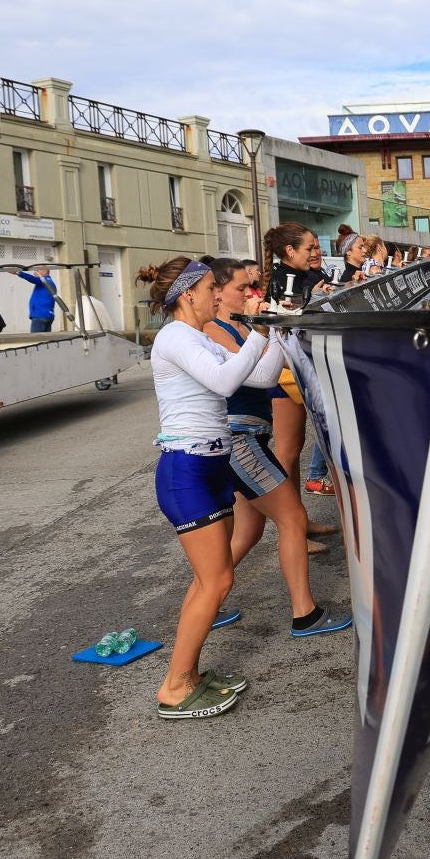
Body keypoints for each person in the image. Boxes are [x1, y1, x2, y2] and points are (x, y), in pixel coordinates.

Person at [138, 256, 283, 720]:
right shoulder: (175, 337)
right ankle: (174, 687)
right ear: (188, 294)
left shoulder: (197, 337)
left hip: (210, 465)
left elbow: (257, 378)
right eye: (208, 288)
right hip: (187, 472)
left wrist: (277, 330)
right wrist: (259, 332)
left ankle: (190, 674)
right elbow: (224, 383)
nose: (217, 295)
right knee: (218, 580)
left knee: (209, 580)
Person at [203, 258, 350, 638]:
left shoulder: (234, 326)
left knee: (248, 534)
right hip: (240, 440)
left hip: (248, 437)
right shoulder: (213, 330)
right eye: (241, 289)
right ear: (217, 293)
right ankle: (305, 613)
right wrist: (272, 331)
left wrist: (272, 329)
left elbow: (272, 364)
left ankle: (206, 605)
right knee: (293, 519)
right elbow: (265, 376)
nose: (250, 295)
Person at [262, 223, 339, 549]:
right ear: (290, 251)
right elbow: (288, 320)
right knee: (287, 453)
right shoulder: (288, 279)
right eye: (309, 247)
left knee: (290, 452)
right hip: (285, 373)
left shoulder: (291, 275)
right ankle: (291, 528)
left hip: (290, 370)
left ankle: (299, 522)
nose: (314, 252)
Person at [15, 264, 57, 332]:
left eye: (37, 270)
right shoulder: (48, 282)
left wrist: (18, 272)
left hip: (40, 316)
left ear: (44, 271)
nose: (35, 272)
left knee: (36, 340)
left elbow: (32, 279)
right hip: (47, 315)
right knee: (45, 341)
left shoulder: (44, 280)